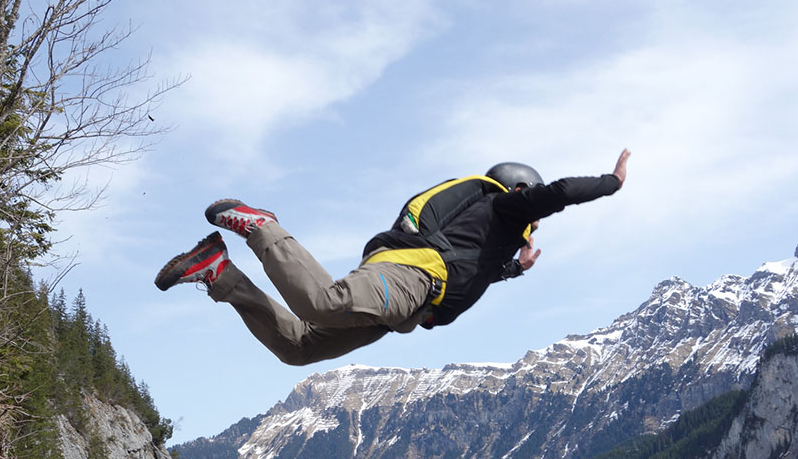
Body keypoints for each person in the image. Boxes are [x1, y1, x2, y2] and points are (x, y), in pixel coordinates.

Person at [155, 149, 631, 366]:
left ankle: (217, 272)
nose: (535, 224)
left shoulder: (486, 230)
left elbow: (471, 266)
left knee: (299, 347)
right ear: (521, 189)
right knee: (323, 302)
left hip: (406, 302)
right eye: (535, 211)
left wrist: (512, 269)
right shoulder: (504, 205)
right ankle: (262, 227)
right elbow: (561, 192)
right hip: (410, 279)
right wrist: (611, 183)